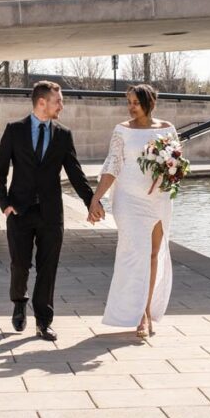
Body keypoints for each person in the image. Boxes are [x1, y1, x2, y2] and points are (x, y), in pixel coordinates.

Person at [0, 81, 100, 341]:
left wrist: (91, 202)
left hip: (51, 212)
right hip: (19, 210)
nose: (62, 105)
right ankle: (19, 301)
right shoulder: (15, 130)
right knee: (20, 264)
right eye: (58, 100)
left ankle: (43, 321)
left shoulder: (63, 134)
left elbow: (75, 173)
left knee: (47, 267)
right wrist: (4, 203)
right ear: (42, 102)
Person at [90, 83, 175, 337]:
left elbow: (175, 165)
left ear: (149, 103)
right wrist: (96, 199)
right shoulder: (122, 131)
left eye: (135, 103)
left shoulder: (167, 129)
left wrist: (166, 177)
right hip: (128, 199)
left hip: (158, 200)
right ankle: (140, 315)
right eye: (128, 103)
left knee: (152, 255)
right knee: (136, 253)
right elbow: (112, 165)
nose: (130, 107)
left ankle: (146, 310)